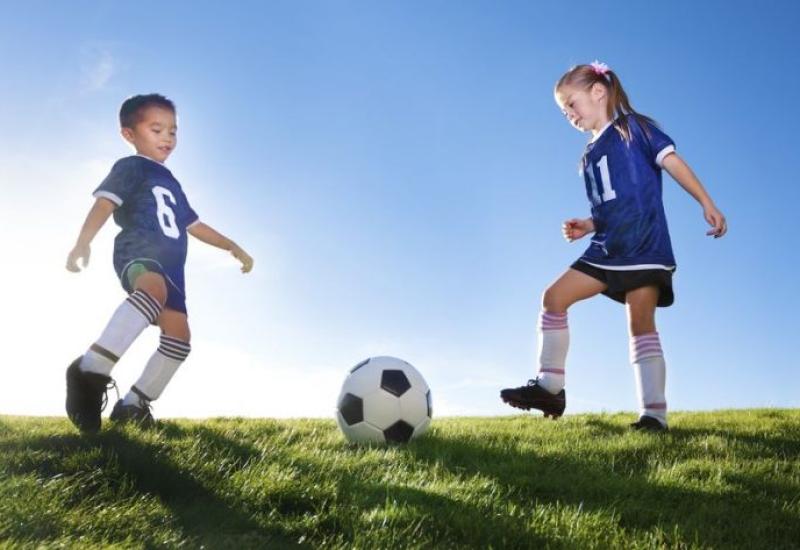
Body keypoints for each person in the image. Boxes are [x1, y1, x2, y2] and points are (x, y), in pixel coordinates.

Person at [500, 62, 727, 431]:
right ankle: (550, 388)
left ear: (598, 92)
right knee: (553, 298)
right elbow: (611, 203)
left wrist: (706, 201)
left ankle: (654, 415)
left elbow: (672, 163)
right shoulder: (587, 157)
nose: (569, 115)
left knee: (640, 325)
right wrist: (588, 225)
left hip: (644, 244)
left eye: (572, 104)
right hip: (607, 247)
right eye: (563, 111)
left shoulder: (633, 129)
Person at [65, 93, 254, 433]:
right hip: (139, 249)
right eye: (157, 129)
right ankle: (89, 372)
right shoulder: (130, 167)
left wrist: (232, 246)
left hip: (173, 267)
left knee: (180, 336)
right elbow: (105, 205)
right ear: (130, 134)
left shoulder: (172, 183)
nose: (168, 137)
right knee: (150, 290)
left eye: (173, 131)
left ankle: (134, 405)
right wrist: (83, 242)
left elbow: (194, 225)